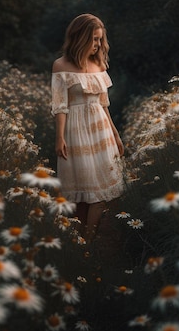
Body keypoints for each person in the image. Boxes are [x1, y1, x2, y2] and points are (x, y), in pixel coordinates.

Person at [50, 13, 125, 243]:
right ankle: (78, 241)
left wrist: (115, 134)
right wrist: (60, 137)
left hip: (100, 129)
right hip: (75, 131)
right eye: (94, 39)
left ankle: (88, 243)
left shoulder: (99, 65)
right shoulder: (61, 65)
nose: (98, 44)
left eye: (100, 40)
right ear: (80, 38)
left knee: (98, 193)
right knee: (80, 196)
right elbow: (60, 105)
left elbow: (104, 104)